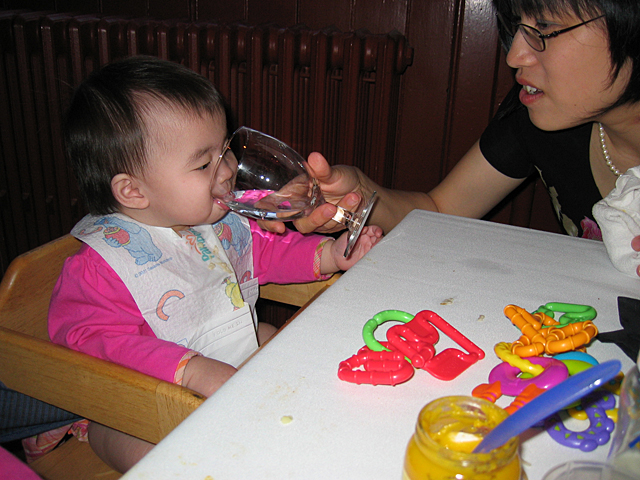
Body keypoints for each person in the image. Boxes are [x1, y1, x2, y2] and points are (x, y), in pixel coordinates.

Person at [40, 56, 382, 472]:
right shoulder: (102, 265)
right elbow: (89, 340)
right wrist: (189, 370)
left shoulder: (218, 221)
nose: (228, 169)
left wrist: (329, 255)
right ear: (132, 191)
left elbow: (264, 255)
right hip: (139, 400)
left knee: (283, 344)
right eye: (204, 164)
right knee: (156, 454)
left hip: (227, 358)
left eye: (224, 150)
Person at [271, 0, 640, 275]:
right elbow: (441, 209)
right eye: (518, 26)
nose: (515, 56)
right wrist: (361, 197)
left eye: (543, 29)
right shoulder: (535, 116)